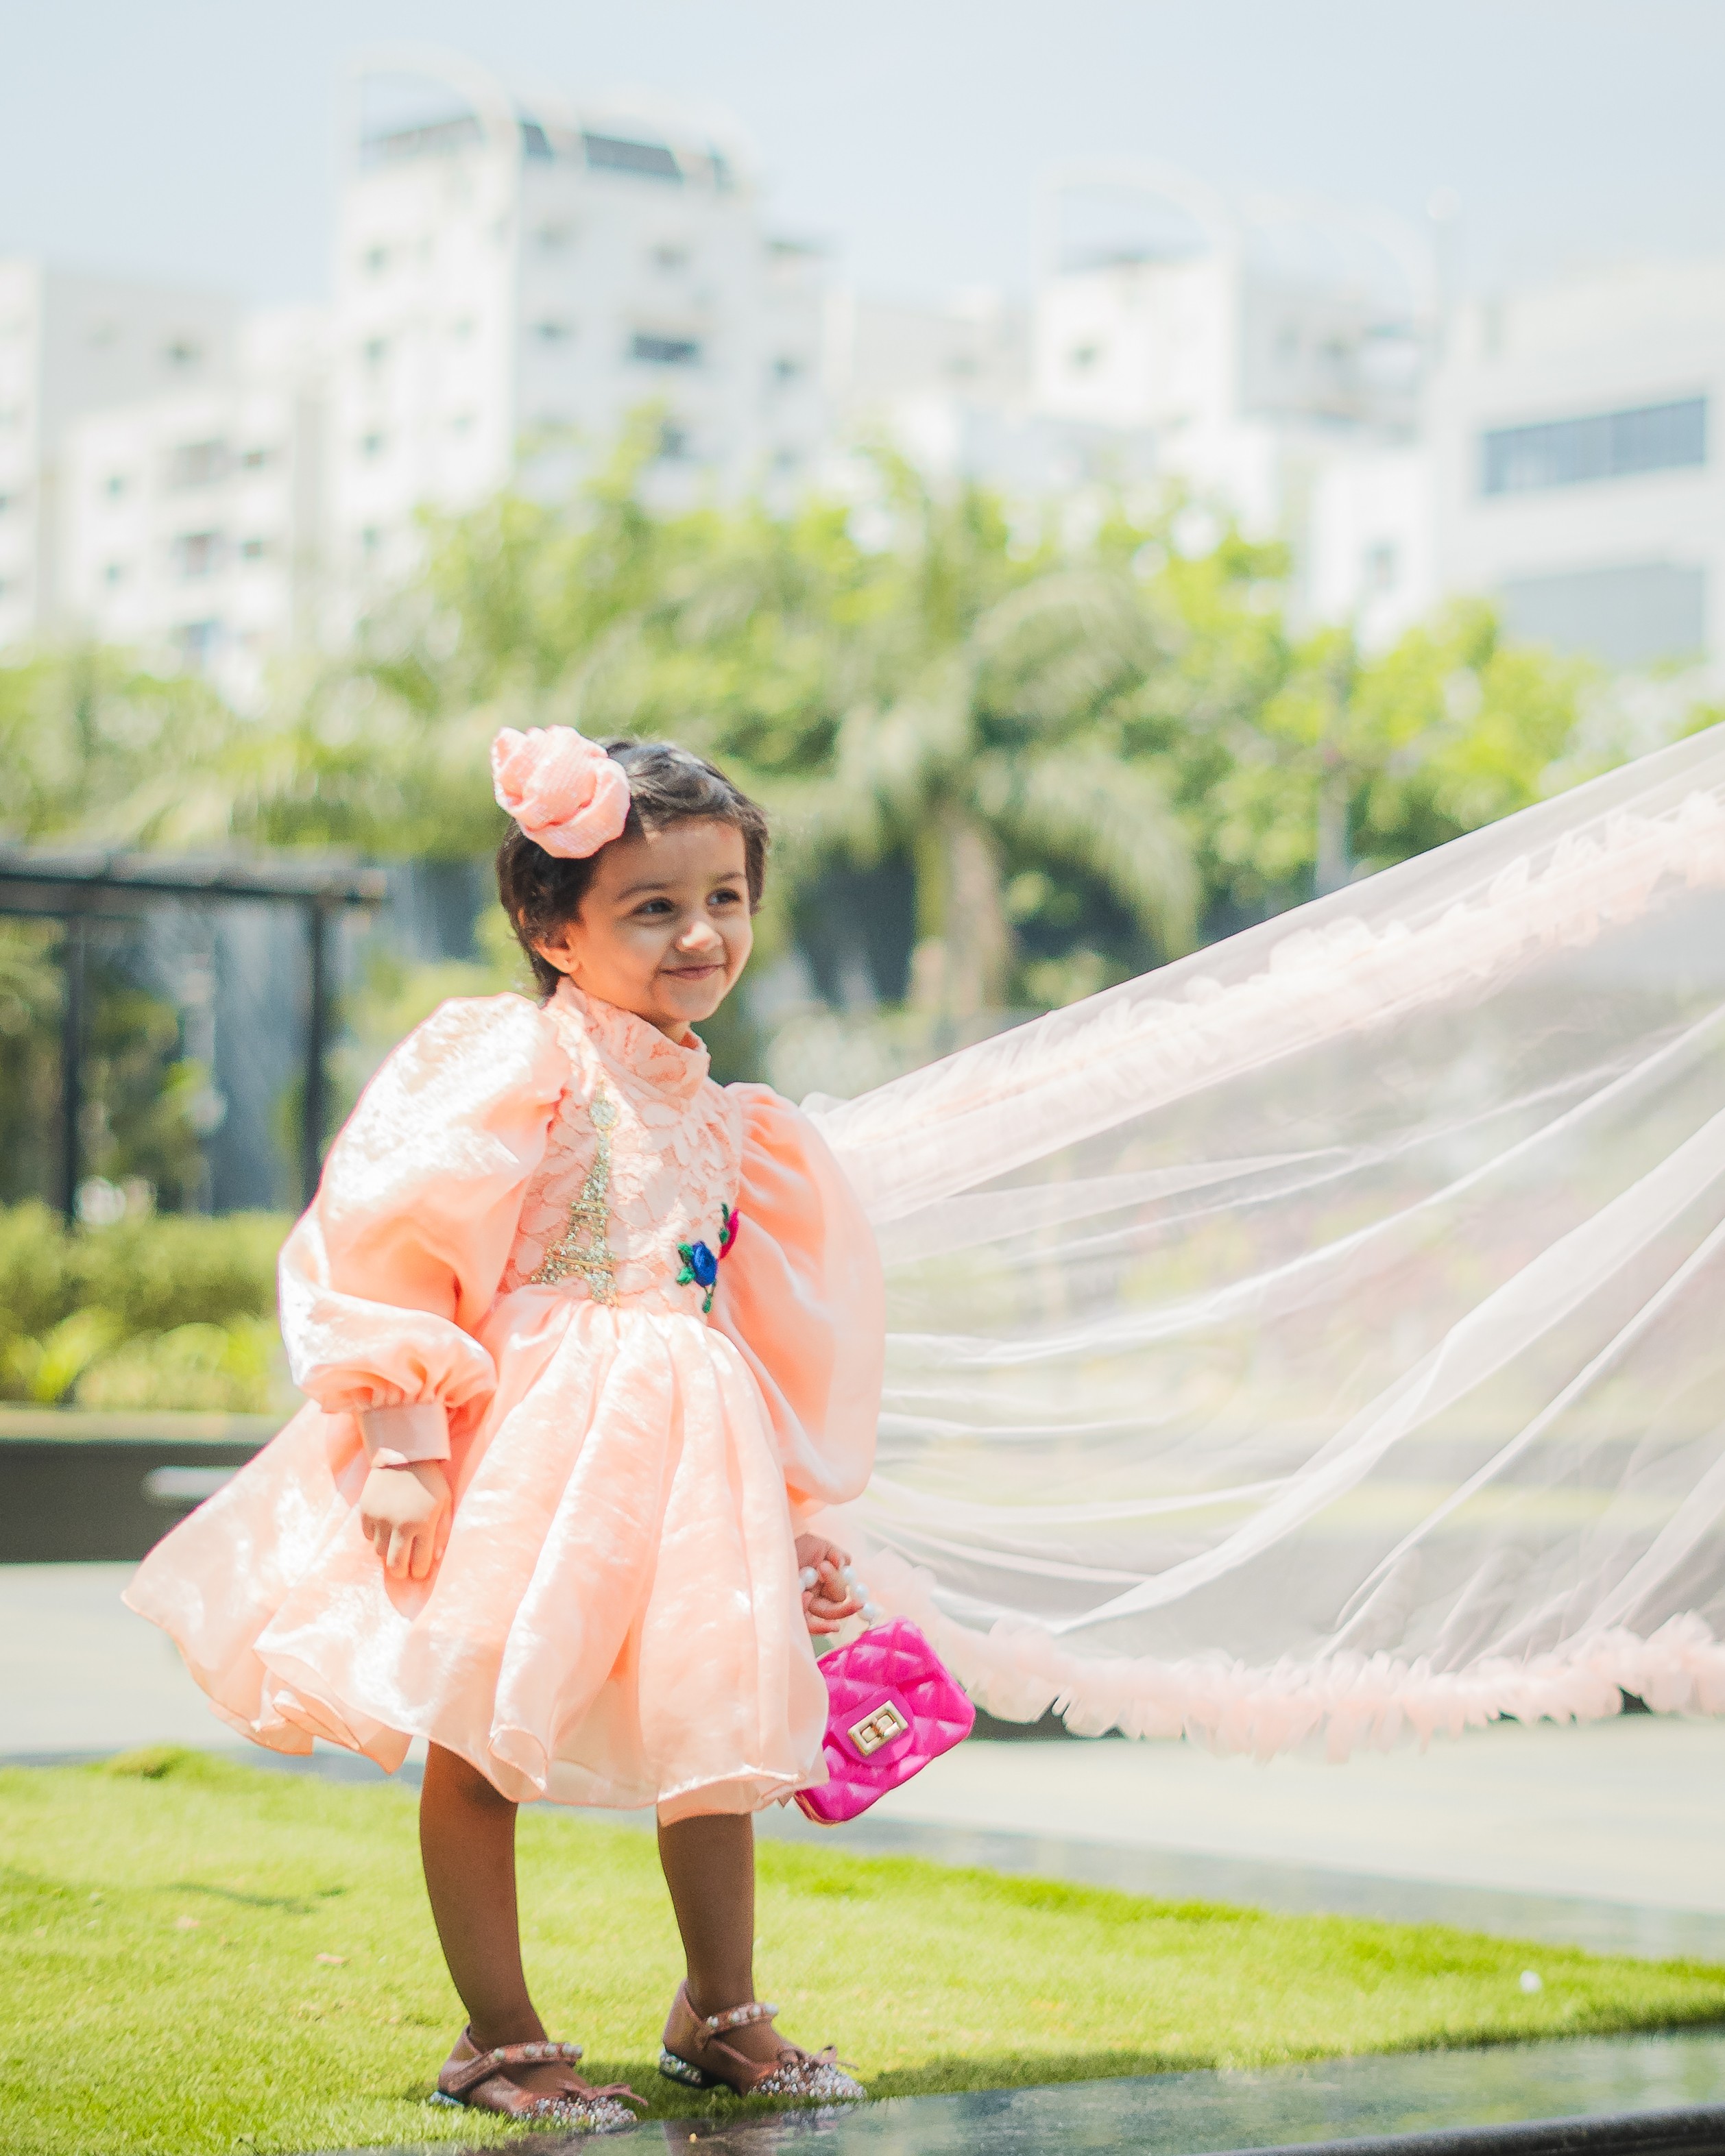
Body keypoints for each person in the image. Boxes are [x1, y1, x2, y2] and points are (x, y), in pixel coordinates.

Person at [125, 725, 885, 2131]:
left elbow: (738, 1320)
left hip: (688, 1462)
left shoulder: (739, 1123)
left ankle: (720, 2008)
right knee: (486, 1723)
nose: (699, 934)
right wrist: (405, 1443)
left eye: (723, 897)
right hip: (533, 1448)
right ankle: (499, 2030)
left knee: (710, 1727)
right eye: (651, 906)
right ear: (552, 926)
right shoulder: (519, 1061)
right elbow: (394, 1240)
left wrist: (787, 1517)